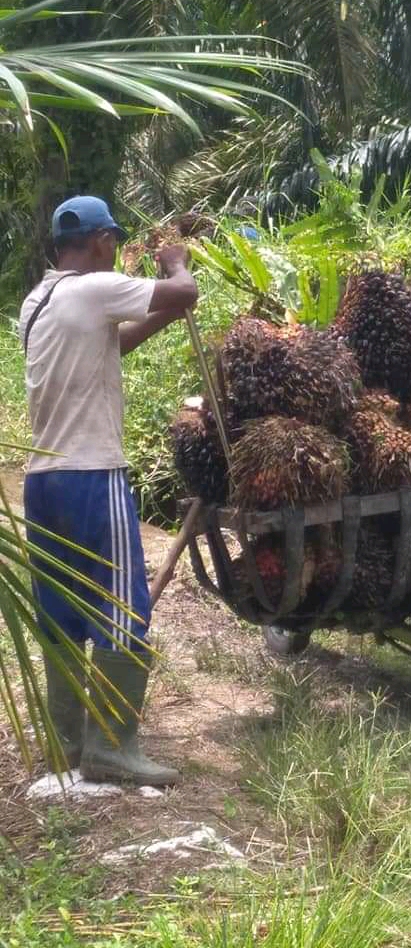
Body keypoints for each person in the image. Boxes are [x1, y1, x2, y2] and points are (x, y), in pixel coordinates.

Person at [20, 196, 198, 787]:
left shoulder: (38, 302)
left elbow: (110, 347)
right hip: (92, 476)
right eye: (113, 243)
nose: (115, 252)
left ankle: (68, 744)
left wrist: (164, 313)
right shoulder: (95, 289)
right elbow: (185, 291)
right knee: (124, 608)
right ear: (101, 242)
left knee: (60, 614)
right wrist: (176, 264)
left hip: (43, 483)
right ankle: (113, 748)